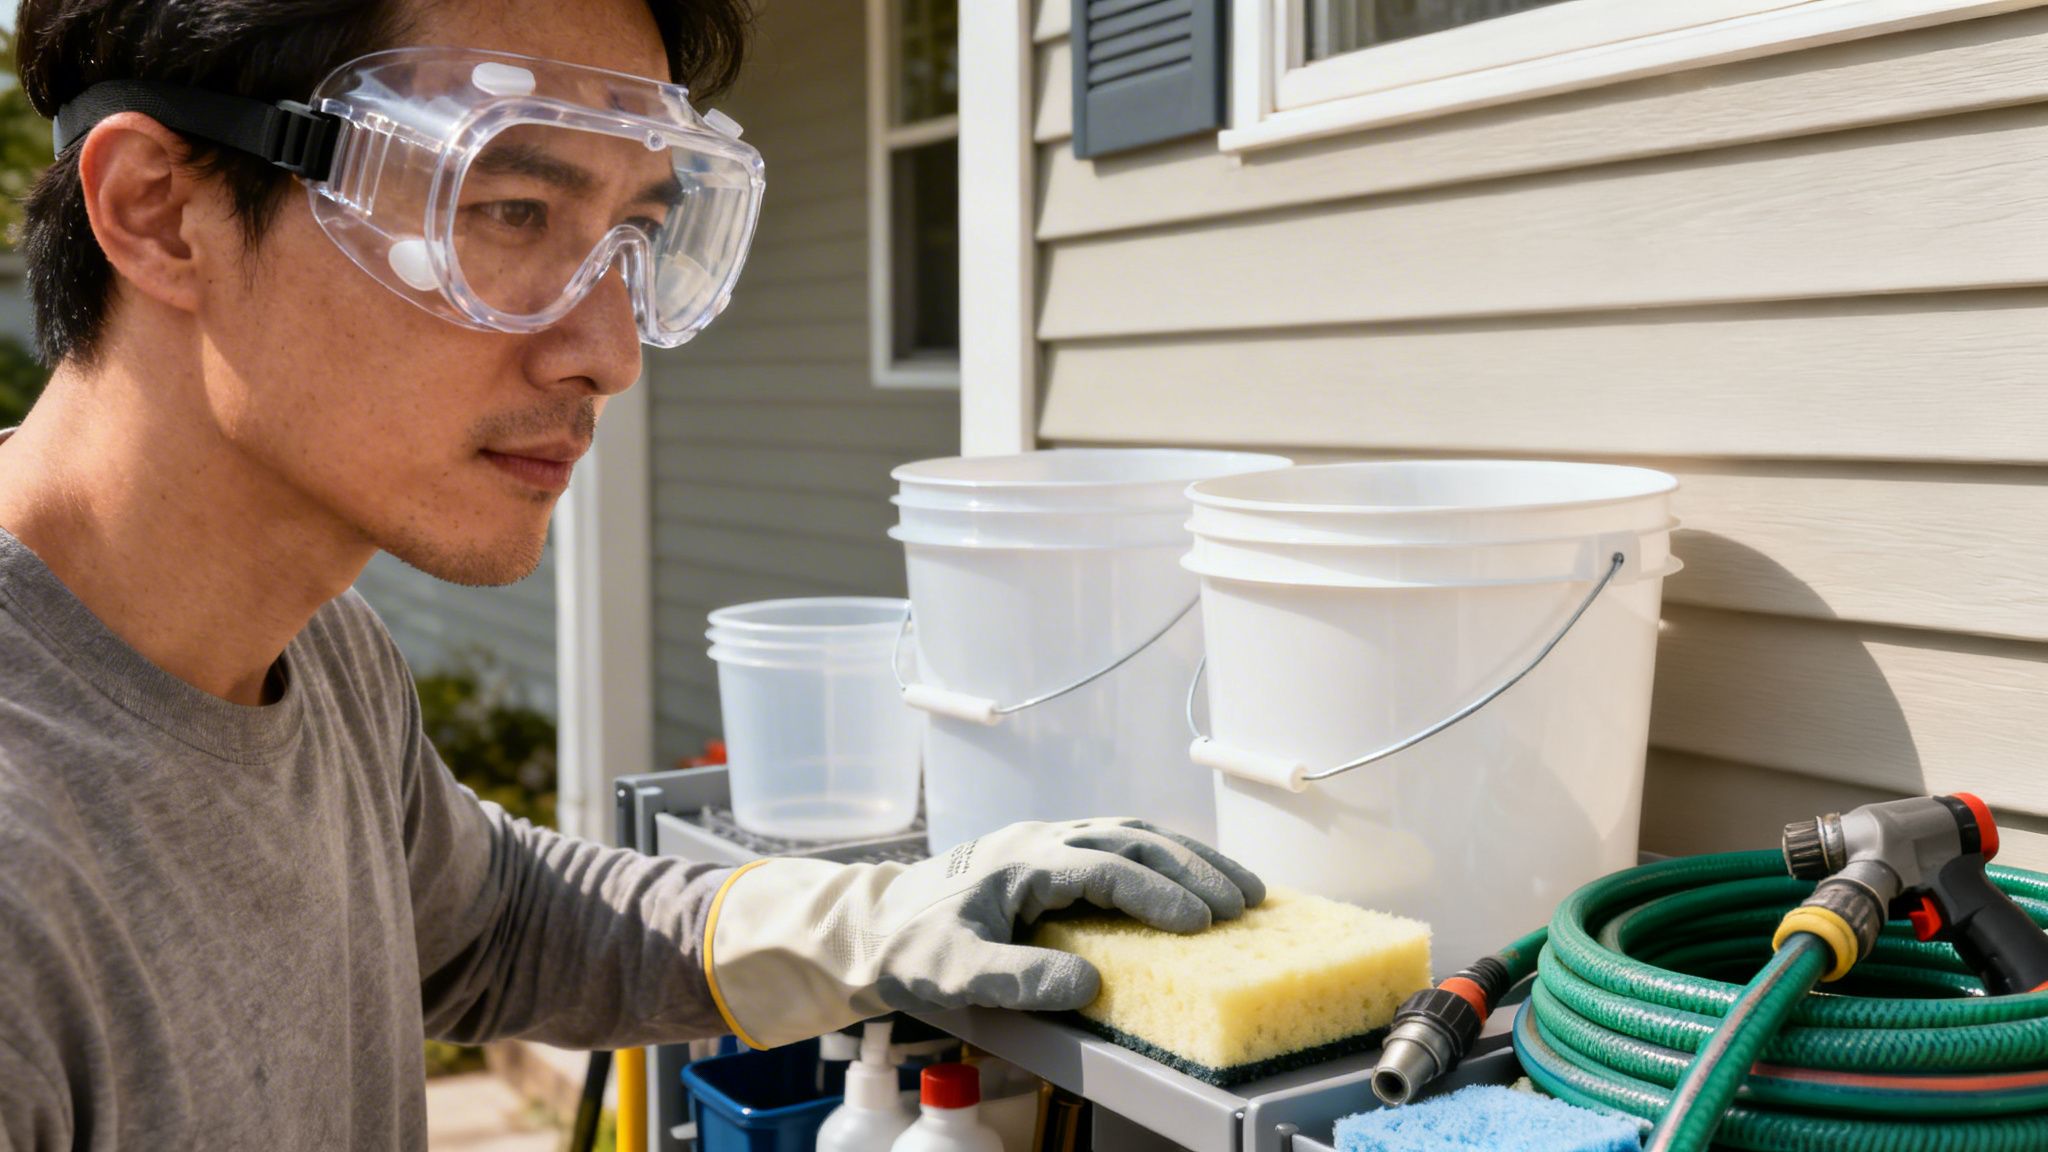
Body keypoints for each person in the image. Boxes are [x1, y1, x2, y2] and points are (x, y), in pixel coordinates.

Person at [0, 0, 1266, 1147]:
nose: (607, 351)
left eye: (637, 236)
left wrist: (873, 924)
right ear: (160, 211)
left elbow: (490, 919)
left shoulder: (315, 648)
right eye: (505, 212)